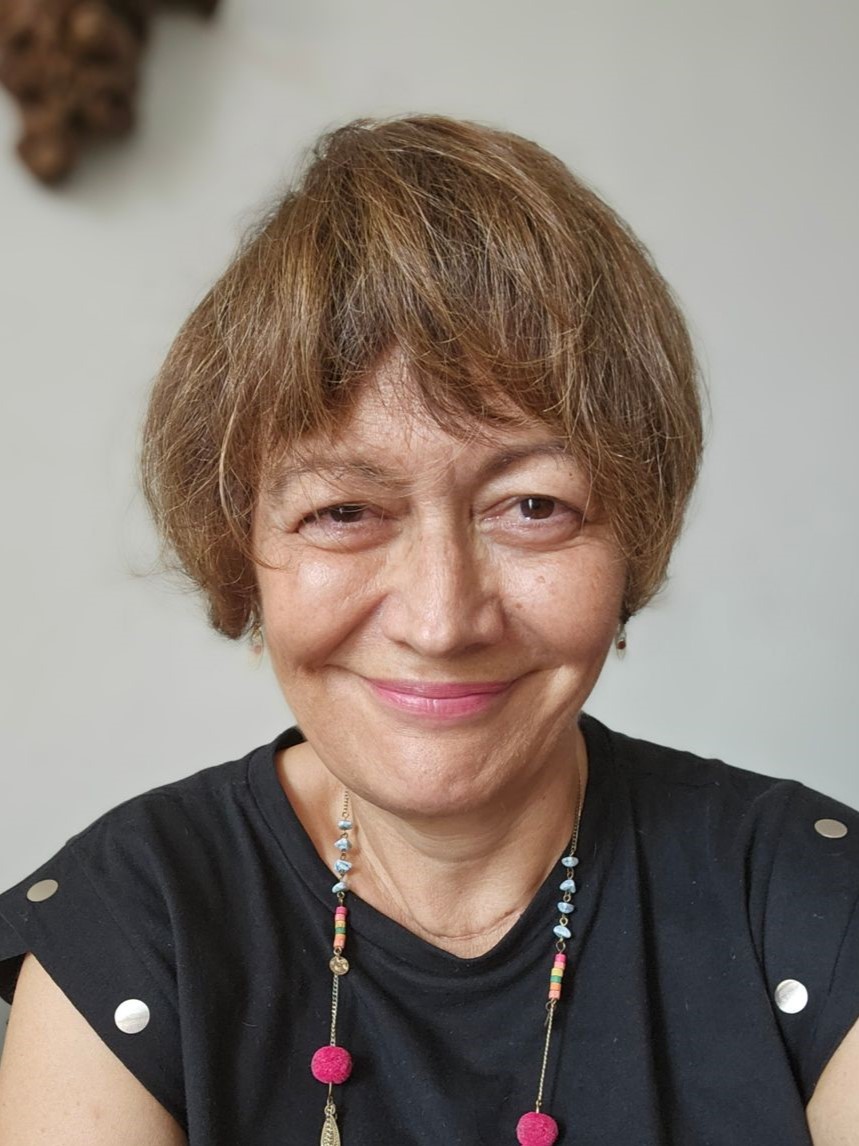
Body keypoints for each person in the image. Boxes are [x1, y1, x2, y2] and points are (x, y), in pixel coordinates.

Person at [0, 114, 856, 1146]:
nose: (442, 620)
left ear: (634, 534)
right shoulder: (133, 928)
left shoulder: (812, 899)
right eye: (343, 512)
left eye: (533, 506)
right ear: (241, 549)